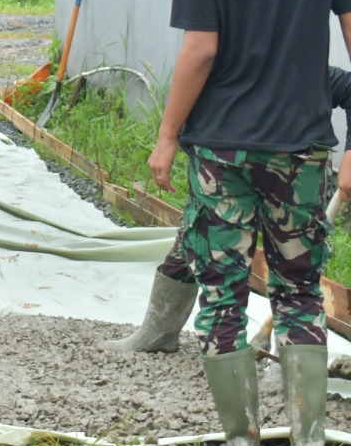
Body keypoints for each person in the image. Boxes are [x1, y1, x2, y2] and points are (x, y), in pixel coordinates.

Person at [145, 0, 351, 446]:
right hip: (302, 152)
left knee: (226, 294)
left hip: (223, 152)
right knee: (300, 295)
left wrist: (168, 136)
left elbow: (200, 49)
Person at [106, 64, 351, 357]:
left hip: (293, 178)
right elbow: (188, 107)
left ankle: (289, 371)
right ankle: (157, 333)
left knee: (296, 275)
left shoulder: (304, 68)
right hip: (226, 172)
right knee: (194, 241)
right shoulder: (222, 68)